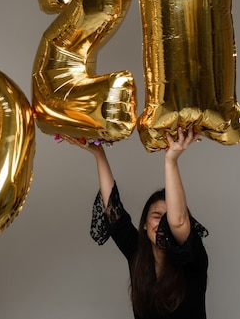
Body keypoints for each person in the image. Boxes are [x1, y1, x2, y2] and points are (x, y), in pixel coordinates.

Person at [62, 127, 209, 319]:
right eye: (157, 216)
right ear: (145, 224)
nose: (163, 223)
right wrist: (98, 153)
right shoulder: (137, 253)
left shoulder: (192, 257)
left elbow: (178, 222)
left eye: (168, 217)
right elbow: (113, 212)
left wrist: (170, 160)